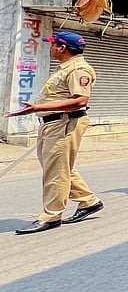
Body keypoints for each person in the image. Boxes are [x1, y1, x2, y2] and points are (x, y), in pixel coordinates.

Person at [8, 31, 103, 235]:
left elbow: (80, 100)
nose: (50, 48)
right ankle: (88, 201)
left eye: (52, 45)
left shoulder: (79, 69)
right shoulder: (66, 67)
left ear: (62, 48)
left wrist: (37, 108)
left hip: (64, 123)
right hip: (52, 123)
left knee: (56, 169)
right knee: (57, 166)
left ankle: (52, 215)